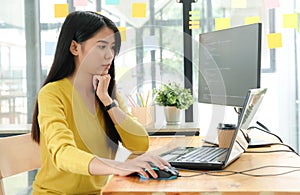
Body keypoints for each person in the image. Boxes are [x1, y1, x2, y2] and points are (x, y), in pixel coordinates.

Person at [31, 11, 170, 194]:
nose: (109, 55)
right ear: (74, 47)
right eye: (102, 47)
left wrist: (107, 101)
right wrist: (118, 166)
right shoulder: (52, 93)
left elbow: (139, 143)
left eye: (113, 48)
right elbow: (63, 153)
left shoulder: (106, 92)